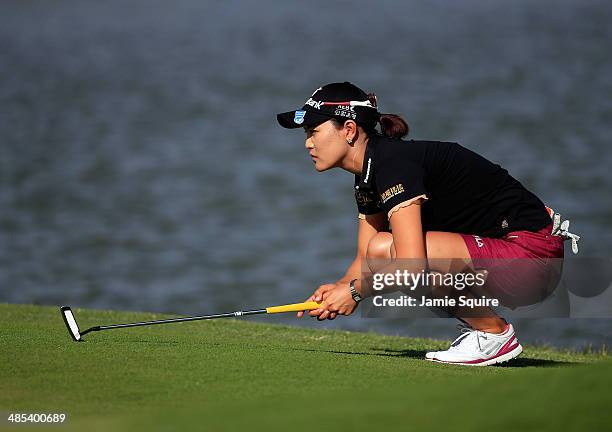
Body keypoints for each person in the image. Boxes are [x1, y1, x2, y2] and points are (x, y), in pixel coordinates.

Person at [276, 82, 578, 366]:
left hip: (534, 260)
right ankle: (485, 331)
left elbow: (412, 265)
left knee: (399, 255)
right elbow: (366, 257)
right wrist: (337, 292)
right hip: (513, 256)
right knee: (380, 249)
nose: (307, 143)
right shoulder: (370, 172)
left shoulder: (393, 165)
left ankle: (493, 335)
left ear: (350, 130)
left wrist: (355, 292)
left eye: (313, 131)